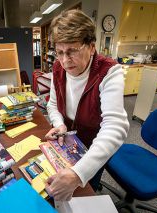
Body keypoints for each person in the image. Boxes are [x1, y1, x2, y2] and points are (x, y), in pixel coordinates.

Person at [45, 9, 129, 201]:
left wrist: (78, 174)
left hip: (94, 147)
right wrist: (59, 124)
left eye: (72, 51)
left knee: (85, 195)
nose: (65, 61)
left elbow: (115, 127)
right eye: (60, 52)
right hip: (66, 143)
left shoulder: (109, 71)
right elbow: (52, 104)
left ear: (91, 47)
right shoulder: (58, 67)